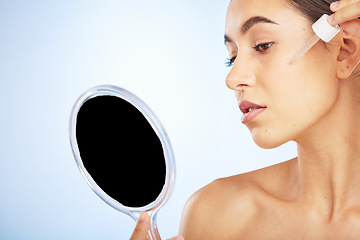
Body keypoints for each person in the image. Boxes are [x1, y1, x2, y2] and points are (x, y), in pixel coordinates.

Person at [130, 0, 360, 239]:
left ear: (345, 50)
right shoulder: (218, 217)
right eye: (232, 56)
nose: (232, 79)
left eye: (263, 45)